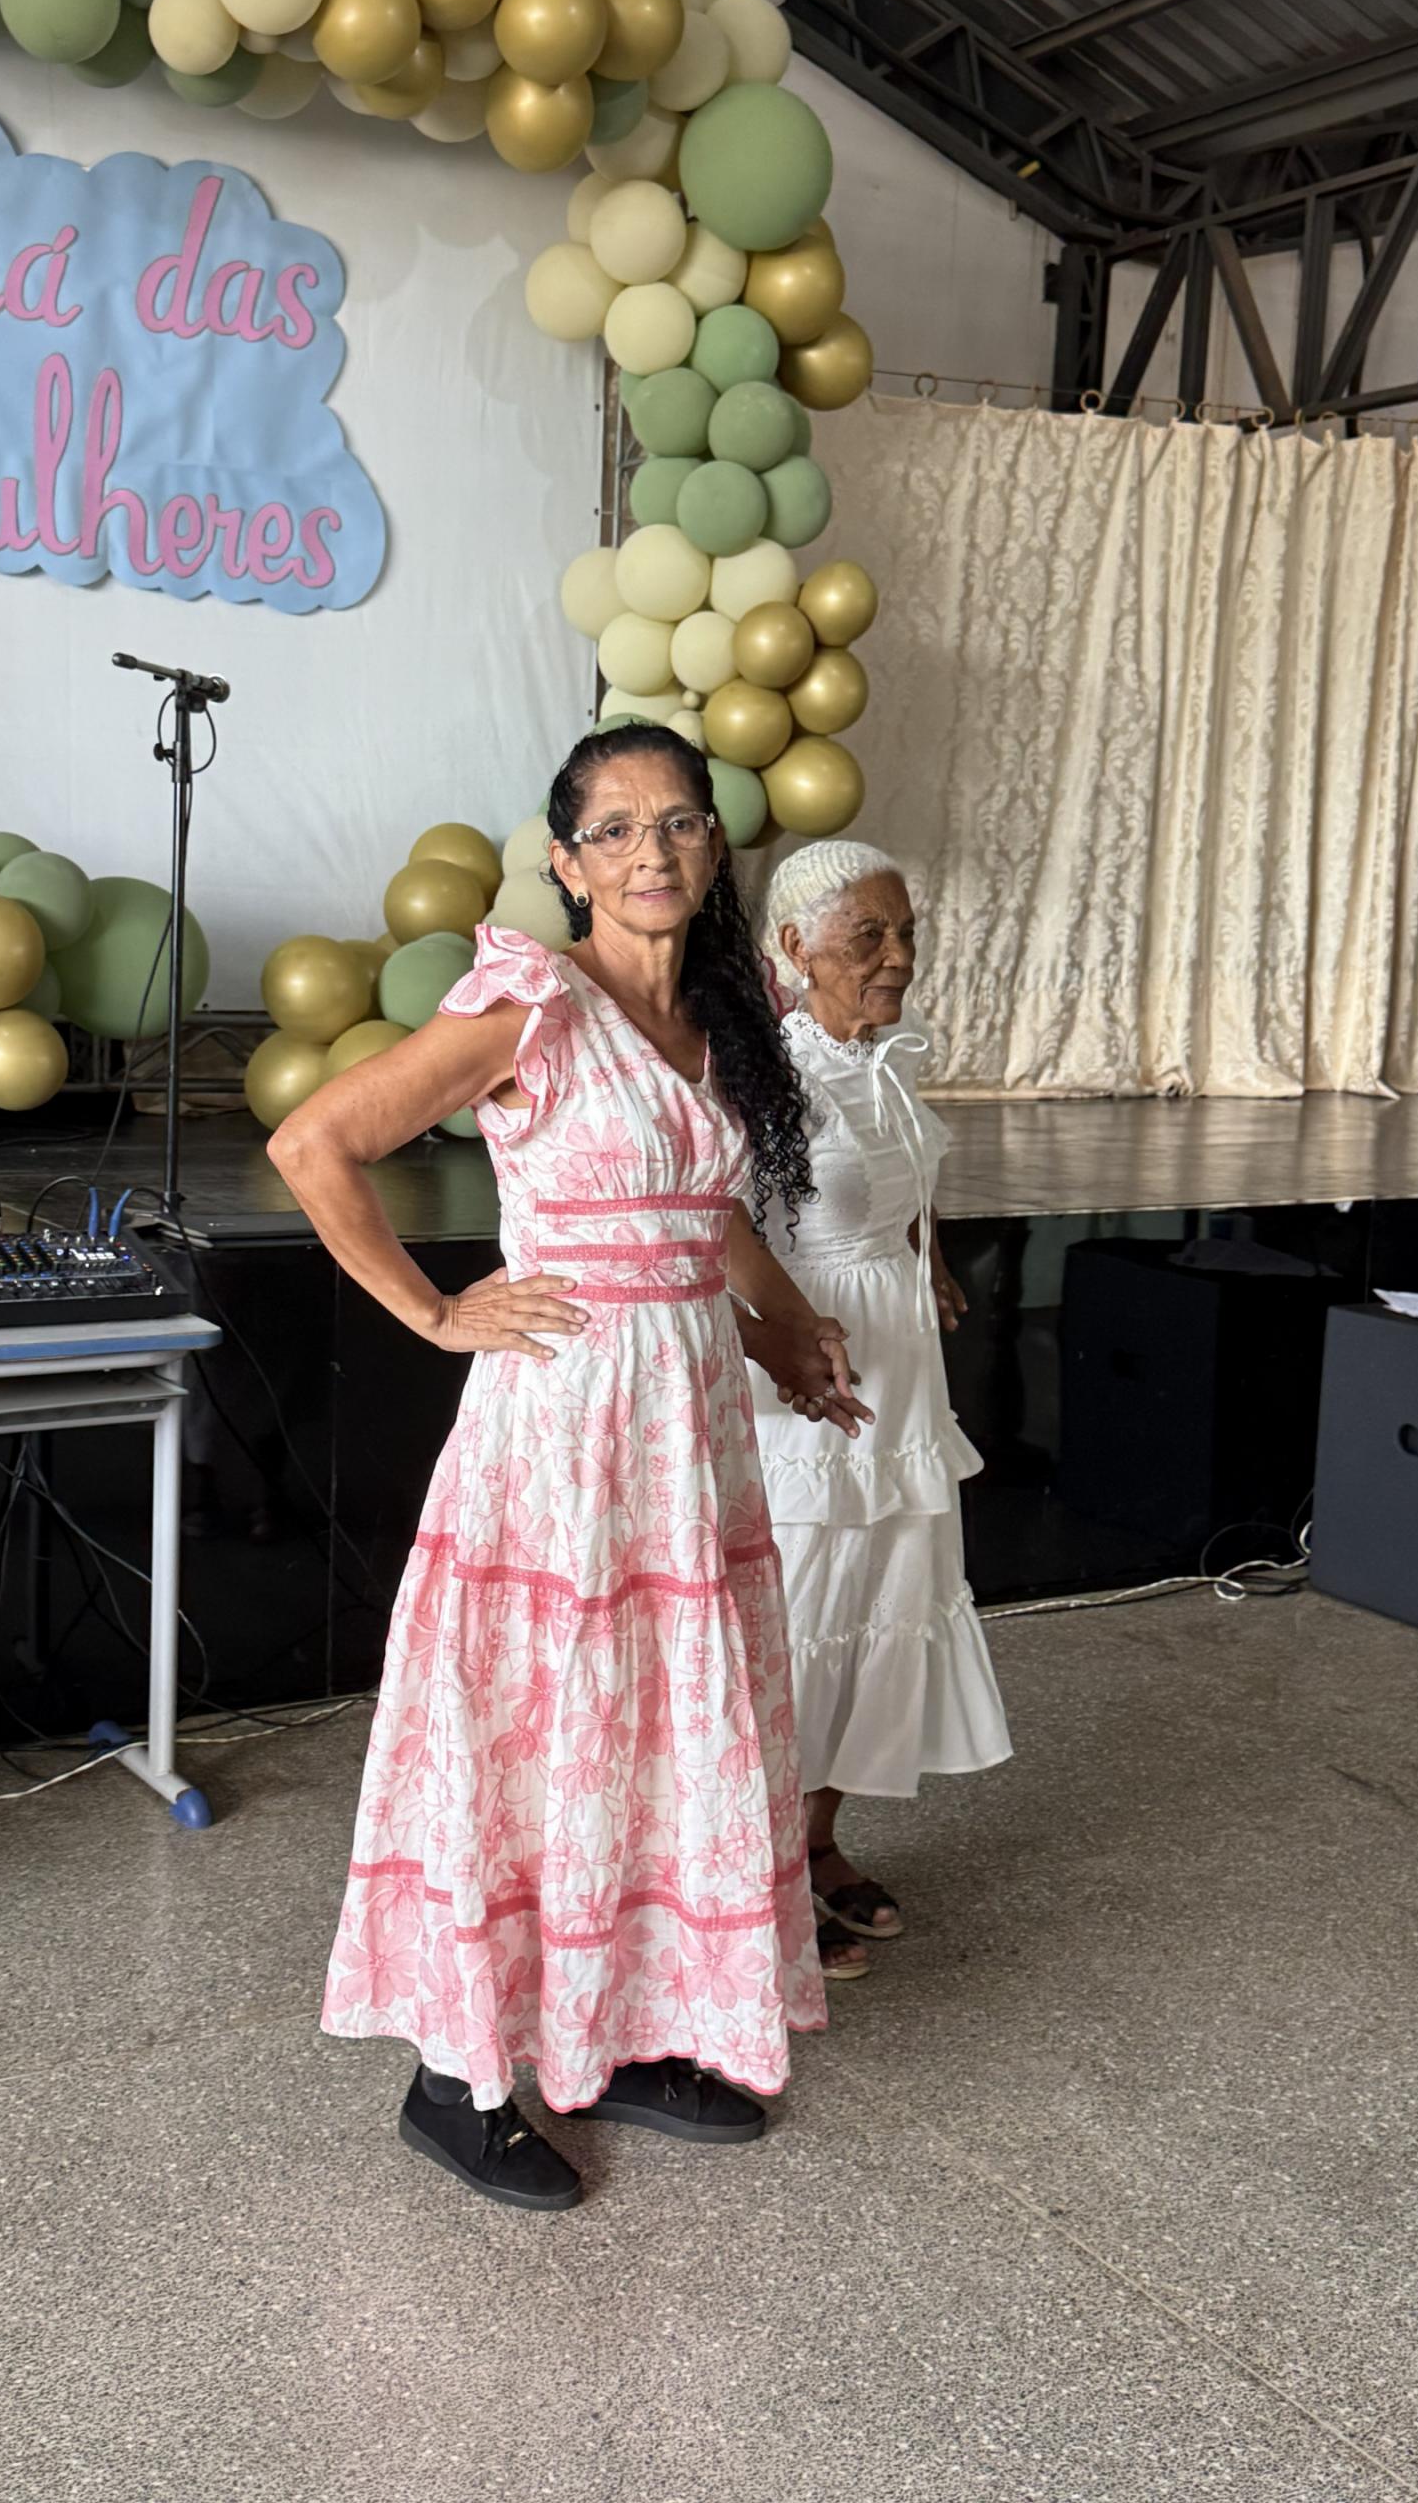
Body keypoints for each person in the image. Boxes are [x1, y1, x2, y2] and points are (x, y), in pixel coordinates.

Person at [269, 724, 868, 2212]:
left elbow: (701, 1213)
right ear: (566, 863)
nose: (651, 851)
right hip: (563, 1437)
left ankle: (628, 2034)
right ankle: (455, 2082)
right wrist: (435, 1311)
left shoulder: (720, 1019)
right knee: (538, 1734)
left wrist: (780, 1331)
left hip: (688, 1435)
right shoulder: (530, 999)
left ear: (714, 846)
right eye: (614, 829)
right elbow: (314, 1144)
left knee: (657, 1729)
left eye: (679, 823)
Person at [750, 841, 1011, 1982]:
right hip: (807, 1376)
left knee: (880, 1606)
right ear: (794, 947)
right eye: (869, 935)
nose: (898, 955)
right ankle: (753, 1879)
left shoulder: (888, 1056)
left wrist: (927, 1259)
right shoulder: (764, 1074)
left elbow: (900, 1185)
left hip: (900, 1369)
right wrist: (782, 1342)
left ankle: (816, 1844)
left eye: (906, 932)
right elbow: (720, 1229)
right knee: (797, 1619)